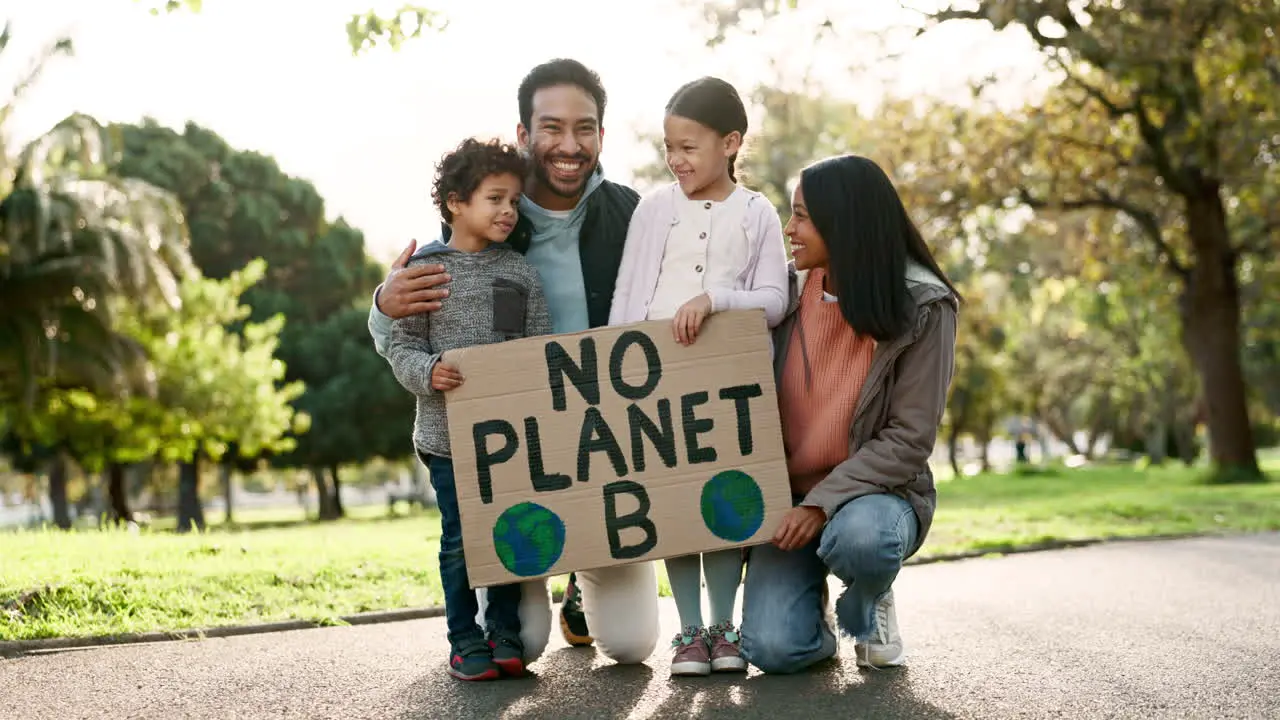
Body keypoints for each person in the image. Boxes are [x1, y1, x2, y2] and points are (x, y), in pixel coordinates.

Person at [368, 59, 660, 666]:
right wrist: (379, 302)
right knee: (522, 643)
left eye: (585, 128)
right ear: (525, 135)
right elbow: (408, 322)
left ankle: (582, 586)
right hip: (512, 443)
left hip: (604, 444)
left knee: (631, 646)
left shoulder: (633, 214)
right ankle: (487, 627)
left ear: (602, 136)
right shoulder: (487, 219)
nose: (569, 144)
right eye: (551, 127)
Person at [738, 154, 960, 674]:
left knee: (864, 540)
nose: (788, 229)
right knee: (773, 650)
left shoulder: (925, 305)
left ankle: (869, 599)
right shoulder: (785, 295)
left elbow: (909, 439)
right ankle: (815, 622)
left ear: (846, 223)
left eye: (802, 216)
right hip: (789, 501)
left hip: (874, 498)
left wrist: (821, 505)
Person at [608, 76, 788, 677]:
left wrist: (715, 298)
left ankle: (723, 626)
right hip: (656, 384)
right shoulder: (655, 208)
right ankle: (687, 632)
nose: (676, 159)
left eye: (689, 146)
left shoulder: (757, 212)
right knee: (675, 507)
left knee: (725, 502)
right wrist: (615, 376)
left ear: (731, 143)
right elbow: (629, 296)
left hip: (729, 384)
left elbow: (774, 301)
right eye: (669, 146)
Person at [385, 137, 551, 681]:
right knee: (460, 539)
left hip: (509, 439)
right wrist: (427, 372)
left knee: (507, 530)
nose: (508, 211)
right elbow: (401, 346)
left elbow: (540, 347)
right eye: (495, 199)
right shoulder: (425, 270)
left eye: (514, 202)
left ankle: (504, 630)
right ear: (456, 202)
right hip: (446, 439)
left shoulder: (520, 272)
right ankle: (463, 637)